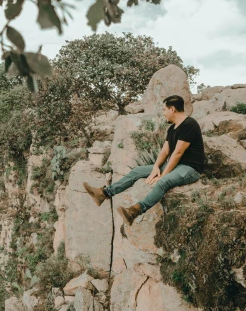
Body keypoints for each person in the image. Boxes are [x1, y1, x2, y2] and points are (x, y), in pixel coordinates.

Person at [83, 95, 205, 226]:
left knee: (163, 182)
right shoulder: (172, 128)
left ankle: (134, 212)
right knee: (138, 171)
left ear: (172, 109)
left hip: (190, 169)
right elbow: (165, 151)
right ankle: (104, 193)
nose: (163, 113)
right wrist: (156, 167)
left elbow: (178, 153)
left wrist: (163, 175)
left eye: (164, 110)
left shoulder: (189, 125)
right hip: (176, 166)